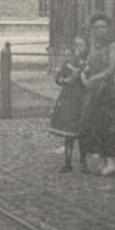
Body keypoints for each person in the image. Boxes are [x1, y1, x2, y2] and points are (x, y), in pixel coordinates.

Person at [79, 14, 115, 176]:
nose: (100, 30)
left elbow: (111, 70)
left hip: (106, 91)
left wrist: (93, 79)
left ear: (108, 29)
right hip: (92, 92)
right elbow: (88, 65)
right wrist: (84, 74)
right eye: (97, 27)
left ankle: (111, 160)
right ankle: (99, 158)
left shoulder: (112, 47)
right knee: (93, 123)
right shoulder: (93, 47)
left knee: (108, 124)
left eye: (103, 27)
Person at [49, 35, 88, 172]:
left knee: (83, 132)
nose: (78, 49)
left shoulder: (88, 64)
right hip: (69, 99)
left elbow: (92, 82)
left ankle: (84, 163)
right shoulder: (68, 62)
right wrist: (66, 80)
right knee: (69, 132)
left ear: (87, 47)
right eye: (76, 45)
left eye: (81, 46)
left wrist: (82, 78)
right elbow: (58, 77)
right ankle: (68, 163)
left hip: (83, 99)